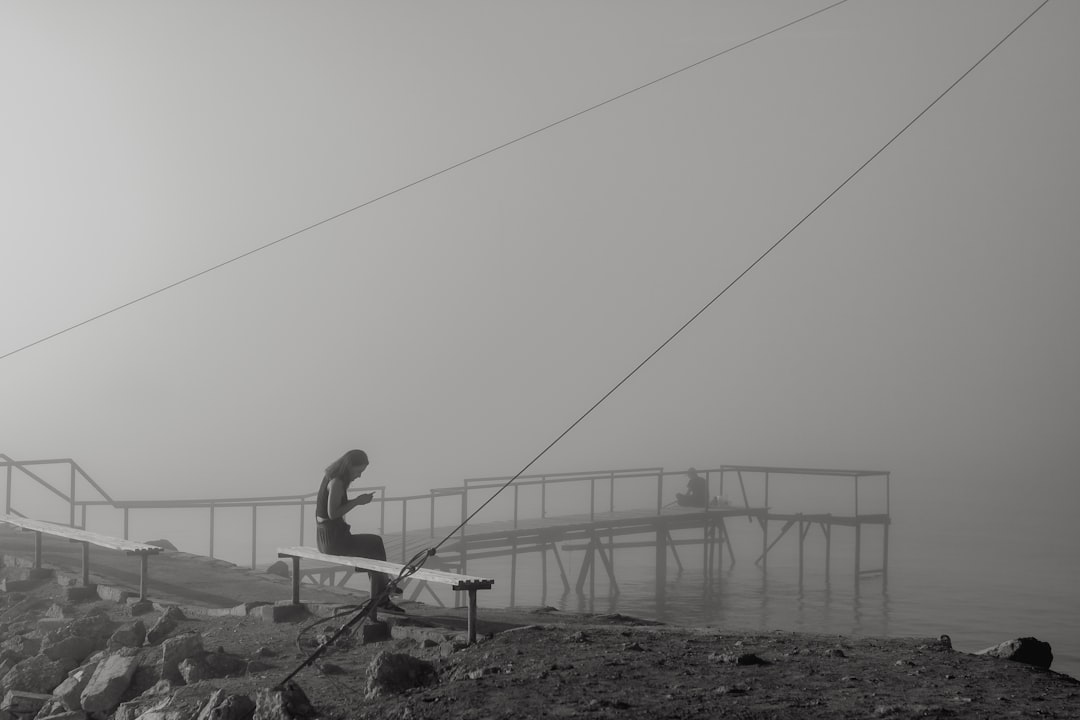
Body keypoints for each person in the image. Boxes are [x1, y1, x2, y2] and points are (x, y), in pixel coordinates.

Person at [315, 449, 403, 612]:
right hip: (332, 541)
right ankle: (382, 595)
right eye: (358, 471)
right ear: (349, 467)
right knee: (375, 543)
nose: (359, 475)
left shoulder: (331, 477)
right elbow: (332, 513)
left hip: (325, 538)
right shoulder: (337, 482)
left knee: (372, 547)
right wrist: (358, 501)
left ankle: (382, 591)